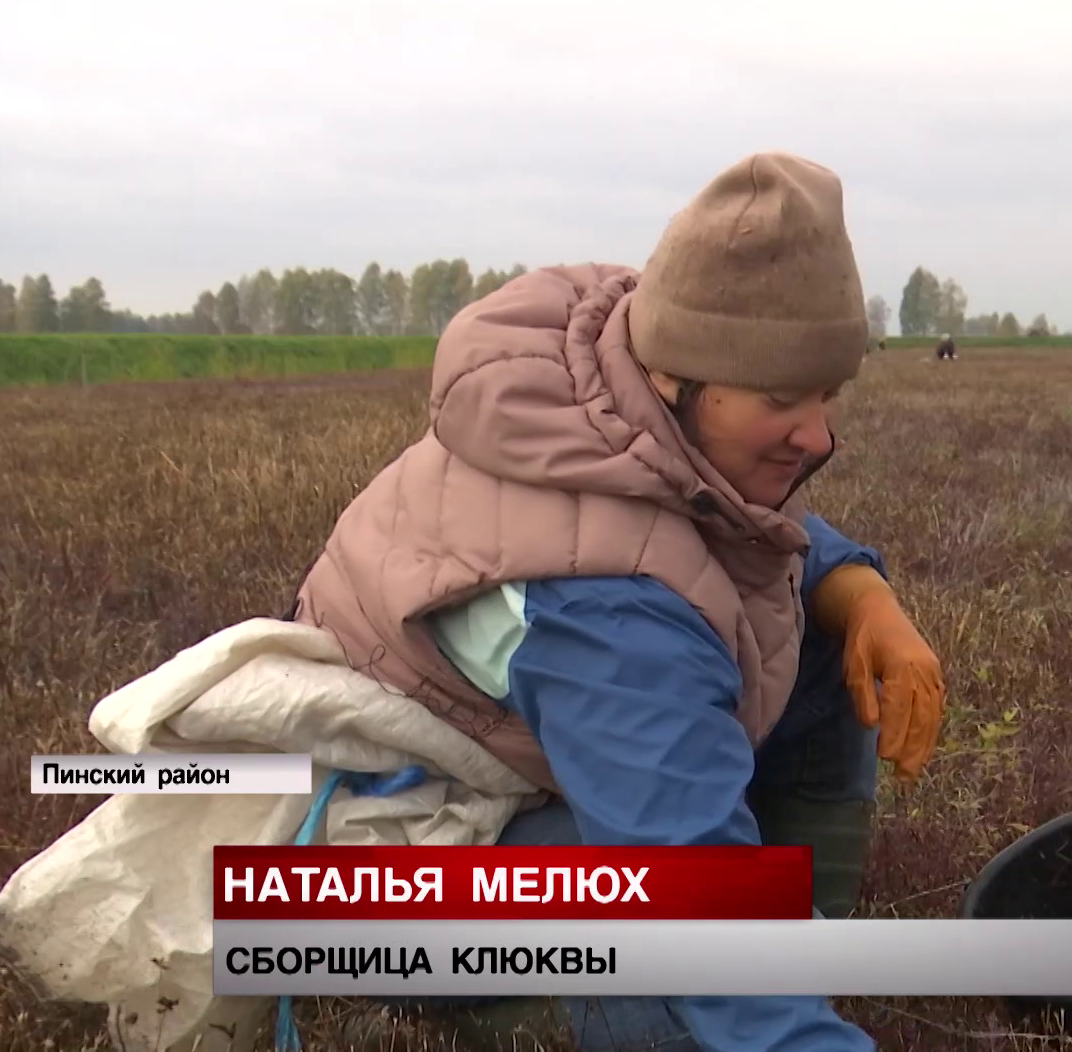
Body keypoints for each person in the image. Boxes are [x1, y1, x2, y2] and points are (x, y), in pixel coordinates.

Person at [285, 151, 947, 1052]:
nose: (817, 434)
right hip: (406, 872)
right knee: (669, 973)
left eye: (829, 396)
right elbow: (692, 909)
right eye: (783, 399)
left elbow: (728, 528)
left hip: (514, 766)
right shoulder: (609, 611)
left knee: (827, 638)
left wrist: (863, 591)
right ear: (677, 379)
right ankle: (501, 1012)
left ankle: (801, 935)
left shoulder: (609, 391)